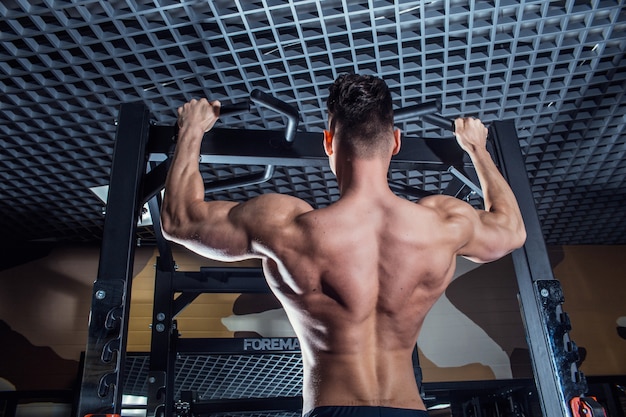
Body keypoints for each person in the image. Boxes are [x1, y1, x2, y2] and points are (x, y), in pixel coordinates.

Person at [161, 74, 526, 417]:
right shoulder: (443, 224)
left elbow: (179, 220)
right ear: (395, 141)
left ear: (328, 141)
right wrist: (478, 150)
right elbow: (512, 230)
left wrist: (191, 130)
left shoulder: (286, 227)